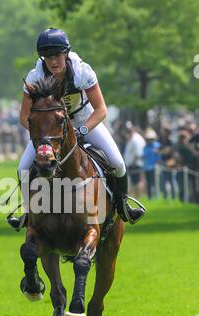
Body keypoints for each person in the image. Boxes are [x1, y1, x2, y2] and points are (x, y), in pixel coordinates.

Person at [8, 28, 146, 229]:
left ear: (66, 53)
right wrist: (43, 137)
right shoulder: (34, 77)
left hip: (84, 122)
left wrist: (81, 131)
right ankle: (28, 214)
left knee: (117, 162)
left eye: (57, 55)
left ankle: (123, 205)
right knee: (22, 169)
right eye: (47, 57)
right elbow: (24, 116)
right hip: (51, 132)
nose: (53, 61)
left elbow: (101, 110)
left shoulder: (82, 72)